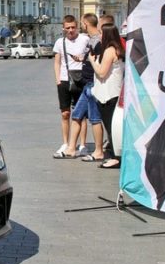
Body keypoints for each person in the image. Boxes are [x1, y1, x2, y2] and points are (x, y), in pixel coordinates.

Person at [64, 13, 104, 160]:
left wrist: (90, 61)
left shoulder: (98, 41)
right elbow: (91, 58)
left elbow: (99, 62)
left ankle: (98, 151)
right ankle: (71, 148)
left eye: (81, 23)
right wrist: (83, 58)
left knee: (94, 118)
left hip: (93, 84)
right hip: (87, 83)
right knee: (76, 115)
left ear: (85, 23)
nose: (81, 26)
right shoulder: (92, 40)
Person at [52, 15, 89, 158]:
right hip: (64, 80)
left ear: (77, 26)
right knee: (65, 113)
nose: (71, 30)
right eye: (67, 28)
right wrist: (58, 80)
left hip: (81, 79)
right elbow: (57, 62)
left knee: (81, 114)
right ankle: (65, 143)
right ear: (63, 28)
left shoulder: (84, 39)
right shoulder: (60, 42)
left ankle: (83, 144)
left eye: (73, 27)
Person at [90, 21, 125, 169]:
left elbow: (102, 72)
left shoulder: (110, 50)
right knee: (112, 125)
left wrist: (92, 61)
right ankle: (115, 155)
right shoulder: (118, 48)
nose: (99, 35)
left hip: (109, 94)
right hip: (113, 92)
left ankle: (115, 157)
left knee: (111, 126)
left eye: (101, 33)